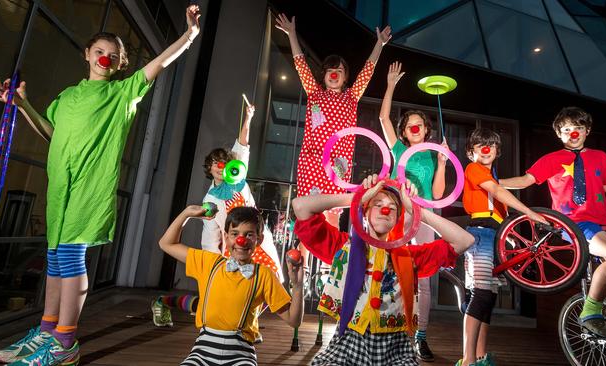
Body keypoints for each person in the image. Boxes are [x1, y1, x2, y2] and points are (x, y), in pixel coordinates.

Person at [0, 5, 201, 365]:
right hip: (61, 188)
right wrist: (23, 105)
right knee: (56, 259)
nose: (105, 59)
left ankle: (65, 343)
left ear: (121, 64)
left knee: (71, 258)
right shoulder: (66, 98)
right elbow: (52, 135)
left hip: (90, 191)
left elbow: (160, 63)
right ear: (87, 55)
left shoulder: (123, 94)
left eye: (113, 56)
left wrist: (189, 35)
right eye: (99, 52)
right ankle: (46, 331)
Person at [292, 174, 475, 365]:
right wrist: (358, 198)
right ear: (365, 211)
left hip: (396, 352)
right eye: (377, 204)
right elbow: (300, 206)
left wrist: (415, 210)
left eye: (393, 207)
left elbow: (464, 240)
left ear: (397, 219)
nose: (385, 209)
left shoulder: (410, 257)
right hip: (346, 346)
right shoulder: (343, 247)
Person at [500, 107, 606, 339]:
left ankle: (601, 315)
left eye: (578, 128)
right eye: (567, 129)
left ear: (587, 131)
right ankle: (590, 315)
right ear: (559, 134)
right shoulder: (551, 159)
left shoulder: (600, 157)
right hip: (574, 224)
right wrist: (493, 182)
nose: (573, 133)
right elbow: (525, 181)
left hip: (605, 224)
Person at [151, 102, 282, 331]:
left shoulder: (238, 177)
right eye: (214, 163)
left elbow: (242, 144)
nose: (220, 166)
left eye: (223, 162)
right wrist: (213, 266)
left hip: (256, 240)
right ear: (209, 169)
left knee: (271, 279)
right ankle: (164, 301)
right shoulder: (210, 201)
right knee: (218, 299)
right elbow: (210, 234)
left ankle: (248, 321)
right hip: (233, 248)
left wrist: (248, 117)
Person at [275, 13, 391, 270]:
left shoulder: (351, 97)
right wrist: (292, 35)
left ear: (345, 77)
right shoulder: (314, 94)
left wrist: (379, 45)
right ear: (324, 75)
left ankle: (331, 278)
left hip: (337, 168)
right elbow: (299, 64)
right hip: (312, 163)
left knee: (331, 221)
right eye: (330, 70)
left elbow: (367, 72)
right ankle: (300, 273)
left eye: (339, 70)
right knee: (309, 221)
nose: (335, 74)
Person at [159, 205, 304, 365]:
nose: (241, 241)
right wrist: (186, 213)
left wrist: (297, 286)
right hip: (202, 352)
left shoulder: (264, 275)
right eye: (235, 234)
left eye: (249, 234)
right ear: (226, 237)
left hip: (241, 354)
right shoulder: (208, 263)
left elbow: (293, 320)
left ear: (259, 240)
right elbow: (167, 244)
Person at [379, 61, 449, 362]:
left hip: (423, 216)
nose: (416, 127)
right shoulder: (397, 150)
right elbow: (383, 117)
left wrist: (444, 163)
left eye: (420, 123)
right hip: (399, 214)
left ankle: (420, 337)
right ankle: (387, 329)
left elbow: (437, 194)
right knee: (388, 269)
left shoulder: (432, 155)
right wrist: (391, 83)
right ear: (405, 133)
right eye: (410, 125)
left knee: (424, 277)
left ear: (426, 130)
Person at [458, 128, 547, 366]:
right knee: (481, 294)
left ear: (497, 151)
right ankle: (467, 360)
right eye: (479, 145)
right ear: (471, 152)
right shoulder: (474, 169)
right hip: (480, 235)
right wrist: (530, 213)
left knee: (489, 298)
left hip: (496, 236)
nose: (486, 149)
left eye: (491, 145)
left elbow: (500, 213)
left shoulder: (493, 176)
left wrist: (510, 240)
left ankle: (480, 356)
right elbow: (497, 191)